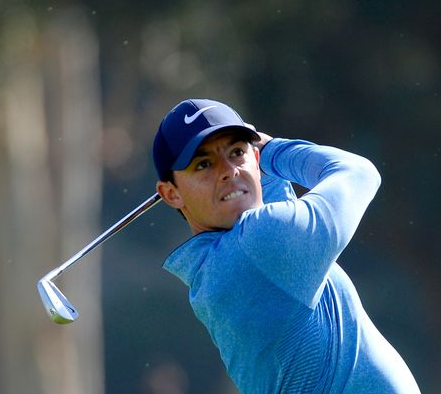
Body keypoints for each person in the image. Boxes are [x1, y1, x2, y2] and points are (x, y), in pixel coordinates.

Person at [152, 99, 421, 393]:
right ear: (171, 194)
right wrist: (272, 151)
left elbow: (263, 199)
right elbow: (358, 173)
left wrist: (257, 162)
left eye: (236, 152)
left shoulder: (221, 256)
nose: (229, 171)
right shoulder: (261, 242)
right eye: (204, 164)